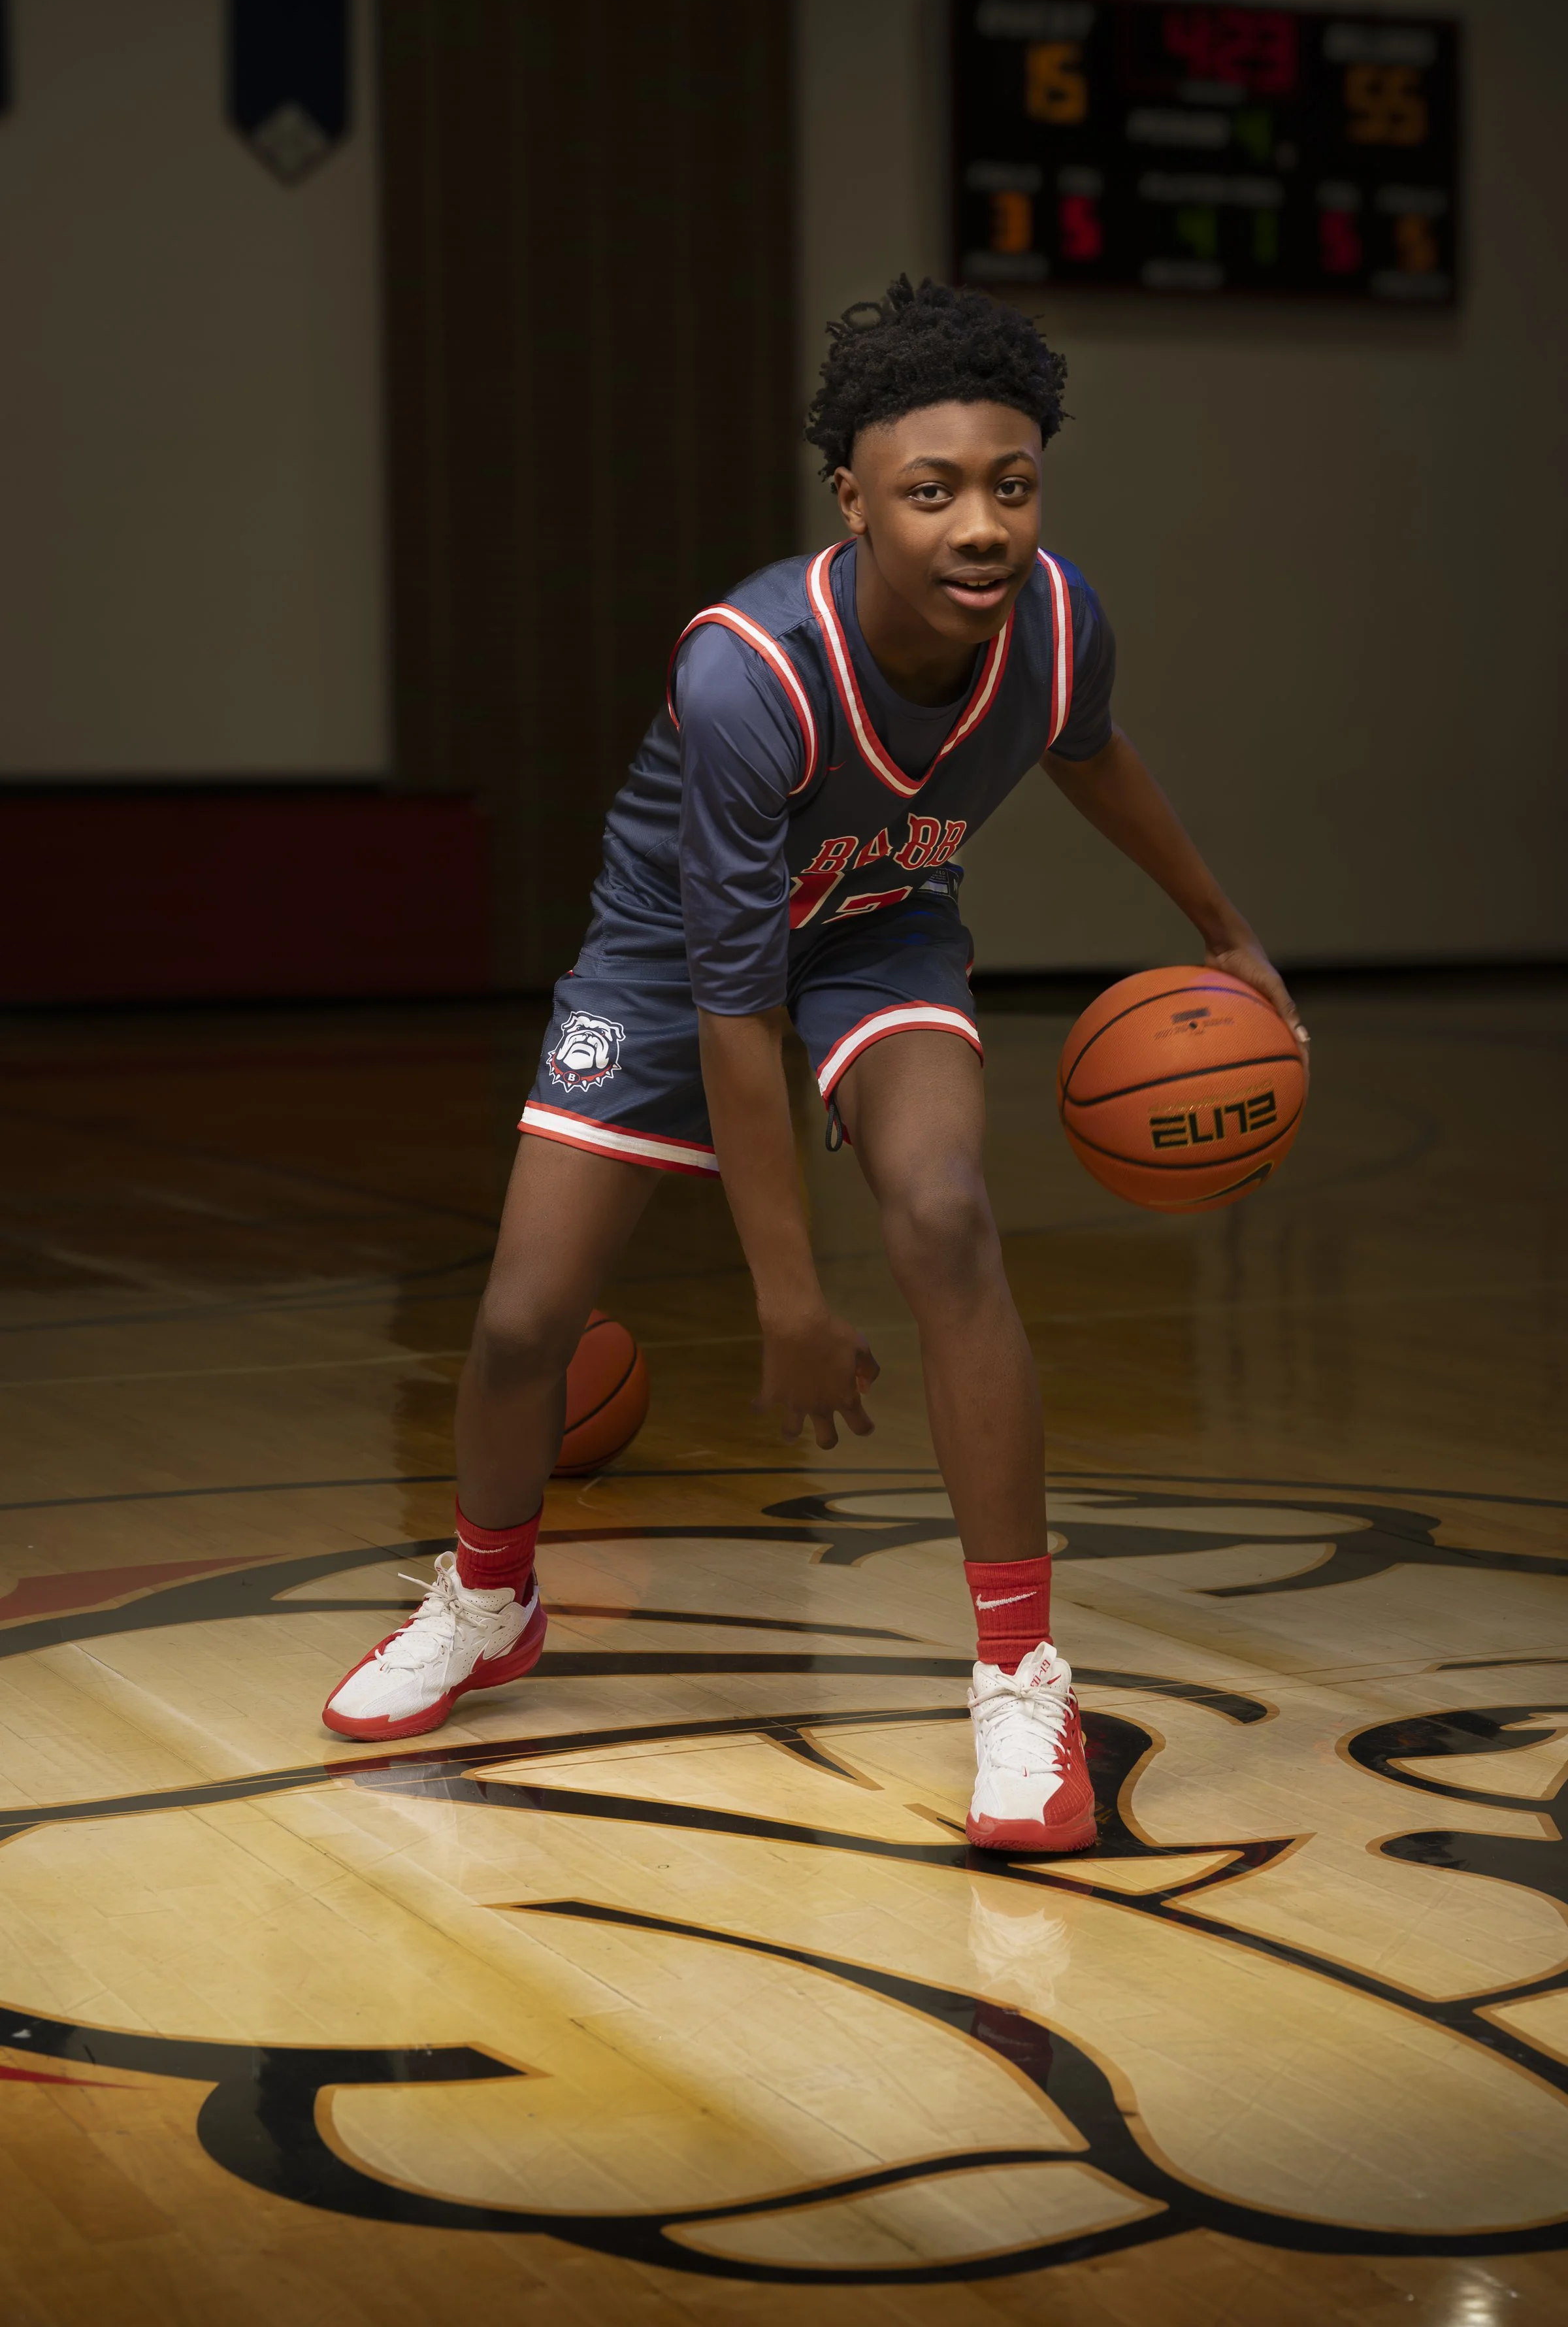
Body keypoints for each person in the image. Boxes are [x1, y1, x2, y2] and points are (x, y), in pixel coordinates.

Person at [321, 275, 1305, 1851]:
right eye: (932, 493)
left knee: (947, 1215)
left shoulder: (1056, 621)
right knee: (522, 1319)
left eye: (1011, 484)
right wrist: (786, 1299)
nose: (980, 524)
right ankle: (490, 1599)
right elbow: (734, 1015)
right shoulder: (751, 672)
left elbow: (1090, 750)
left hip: (886, 924)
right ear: (853, 501)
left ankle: (1019, 1673)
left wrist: (1220, 929)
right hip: (670, 964)